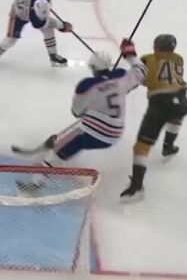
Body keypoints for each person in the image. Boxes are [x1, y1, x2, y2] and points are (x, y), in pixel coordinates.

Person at [17, 40, 144, 191]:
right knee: (74, 134)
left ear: (93, 68)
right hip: (115, 133)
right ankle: (57, 152)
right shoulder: (121, 77)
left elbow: (77, 112)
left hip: (95, 133)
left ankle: (36, 183)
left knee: (56, 150)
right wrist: (129, 53)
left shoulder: (87, 85)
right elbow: (141, 71)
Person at [120, 34, 187, 202]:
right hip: (181, 100)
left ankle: (137, 186)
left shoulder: (148, 58)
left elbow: (139, 73)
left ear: (156, 46)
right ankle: (168, 146)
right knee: (175, 117)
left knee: (142, 146)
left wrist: (128, 50)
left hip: (160, 103)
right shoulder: (179, 59)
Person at [0, 0, 73, 68]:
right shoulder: (31, 16)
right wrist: (62, 26)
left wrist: (61, 26)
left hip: (28, 4)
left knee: (48, 30)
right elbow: (48, 22)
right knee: (11, 40)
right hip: (18, 14)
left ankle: (53, 56)